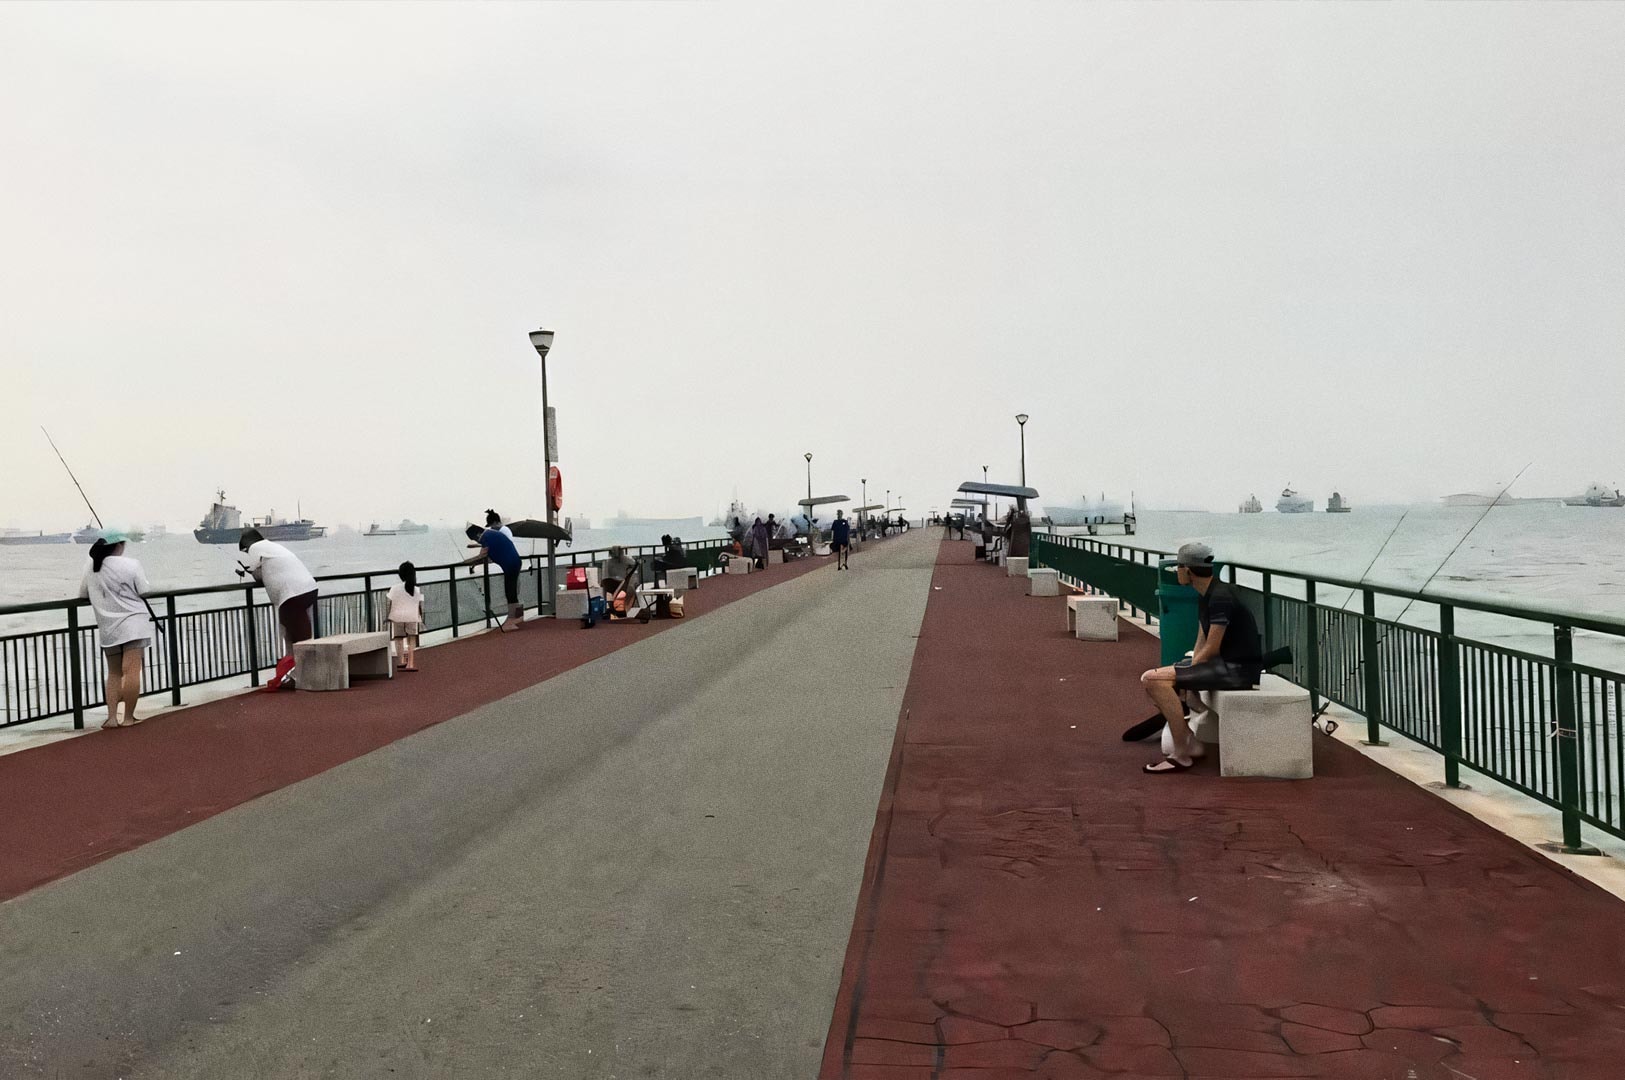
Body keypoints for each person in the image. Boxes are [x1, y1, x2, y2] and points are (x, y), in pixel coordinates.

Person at [1139, 542, 1264, 774]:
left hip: (1236, 670)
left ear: (1188, 570)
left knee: (1152, 680)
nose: (1176, 571)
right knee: (1157, 677)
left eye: (1178, 566)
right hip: (1223, 664)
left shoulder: (1220, 597)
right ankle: (1187, 737)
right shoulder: (1207, 593)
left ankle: (1182, 752)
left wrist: (1190, 671)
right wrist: (1188, 668)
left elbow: (1213, 647)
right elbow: (1202, 638)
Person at [80, 531, 153, 728]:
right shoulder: (131, 564)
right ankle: (128, 717)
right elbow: (145, 590)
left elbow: (82, 593)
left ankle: (111, 718)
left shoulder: (91, 566)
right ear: (118, 545)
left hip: (107, 626)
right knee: (131, 672)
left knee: (113, 673)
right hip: (133, 625)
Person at [238, 528, 319, 690]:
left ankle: (302, 676)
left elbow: (256, 574)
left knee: (297, 638)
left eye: (245, 550)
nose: (247, 553)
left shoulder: (256, 547)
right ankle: (293, 674)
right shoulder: (272, 548)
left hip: (292, 595)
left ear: (248, 544)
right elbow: (265, 573)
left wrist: (250, 570)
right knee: (291, 634)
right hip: (306, 589)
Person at [465, 522, 525, 631]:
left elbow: (482, 555)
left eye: (475, 539)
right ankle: (517, 616)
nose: (476, 541)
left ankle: (512, 620)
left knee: (510, 592)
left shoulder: (485, 538)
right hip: (515, 562)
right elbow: (491, 554)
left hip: (510, 565)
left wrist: (465, 562)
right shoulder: (491, 534)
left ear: (477, 535)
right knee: (512, 591)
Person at [386, 561, 425, 670]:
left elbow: (389, 602)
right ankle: (410, 663)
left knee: (399, 637)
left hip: (397, 615)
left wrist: (389, 615)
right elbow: (419, 604)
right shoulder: (415, 589)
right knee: (411, 637)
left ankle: (400, 660)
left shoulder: (394, 588)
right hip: (411, 615)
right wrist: (420, 616)